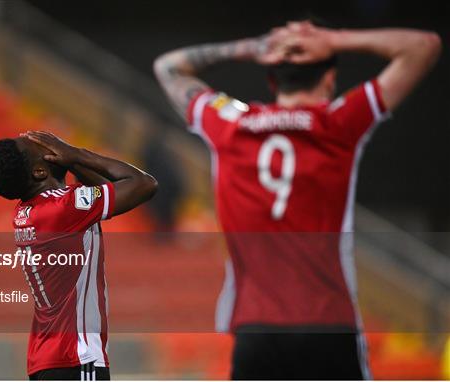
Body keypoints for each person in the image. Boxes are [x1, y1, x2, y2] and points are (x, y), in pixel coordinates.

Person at [154, 21, 441, 379]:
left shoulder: (229, 123)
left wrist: (255, 46)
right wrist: (331, 38)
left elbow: (168, 66)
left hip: (256, 328)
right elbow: (423, 45)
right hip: (328, 324)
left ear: (272, 81)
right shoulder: (339, 122)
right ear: (329, 80)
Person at [0, 131, 157, 380]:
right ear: (39, 172)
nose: (51, 144)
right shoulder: (64, 208)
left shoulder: (27, 212)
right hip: (77, 357)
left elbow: (103, 189)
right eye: (43, 147)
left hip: (46, 360)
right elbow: (144, 184)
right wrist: (75, 154)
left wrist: (71, 160)